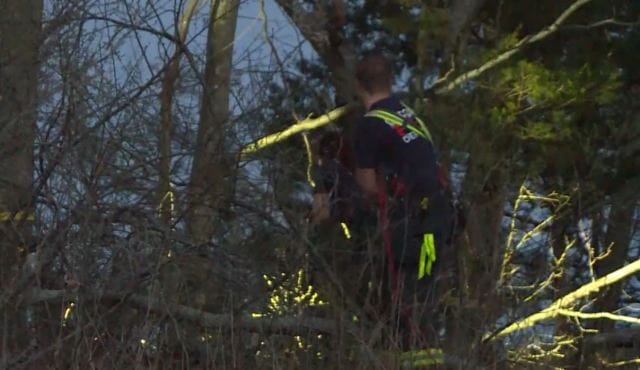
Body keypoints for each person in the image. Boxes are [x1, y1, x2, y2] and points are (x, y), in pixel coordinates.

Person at [352, 51, 452, 348]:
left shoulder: (370, 125)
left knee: (407, 303)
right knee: (423, 298)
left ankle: (411, 359)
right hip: (439, 214)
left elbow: (368, 185)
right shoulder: (409, 116)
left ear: (358, 86)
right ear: (391, 80)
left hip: (413, 222)